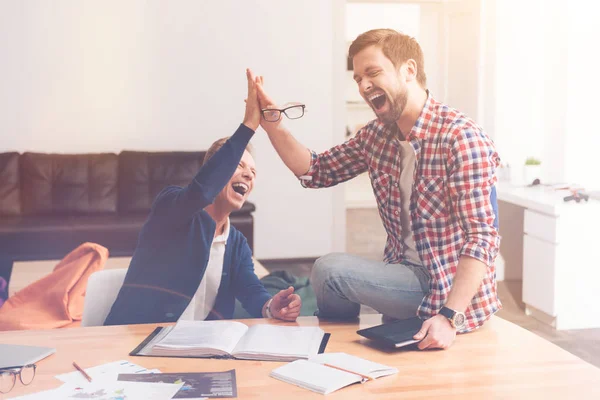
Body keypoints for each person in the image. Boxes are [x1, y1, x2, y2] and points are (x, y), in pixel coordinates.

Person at [252, 29, 501, 350]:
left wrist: (450, 317)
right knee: (330, 275)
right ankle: (336, 348)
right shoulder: (377, 136)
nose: (363, 86)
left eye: (372, 72)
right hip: (406, 274)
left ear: (408, 71)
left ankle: (327, 344)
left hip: (448, 287)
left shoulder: (460, 137)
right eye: (357, 78)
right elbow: (316, 170)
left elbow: (482, 237)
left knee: (330, 271)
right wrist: (272, 123)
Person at [104, 69, 301, 326]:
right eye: (239, 165)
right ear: (215, 171)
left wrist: (271, 307)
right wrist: (249, 125)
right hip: (136, 341)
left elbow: (252, 292)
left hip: (198, 348)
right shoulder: (171, 208)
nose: (248, 175)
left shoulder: (237, 243)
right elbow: (200, 193)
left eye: (252, 172)